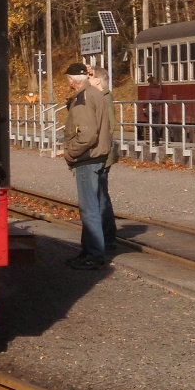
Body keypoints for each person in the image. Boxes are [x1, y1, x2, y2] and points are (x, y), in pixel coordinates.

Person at [55, 62, 111, 269]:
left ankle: (94, 255)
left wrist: (70, 153)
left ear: (71, 81)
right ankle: (88, 251)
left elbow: (86, 135)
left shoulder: (83, 100)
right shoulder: (96, 94)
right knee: (92, 207)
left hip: (87, 159)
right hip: (97, 157)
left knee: (89, 210)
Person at [88, 65, 119, 254]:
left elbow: (109, 126)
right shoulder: (98, 97)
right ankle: (105, 236)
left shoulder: (104, 99)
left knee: (100, 197)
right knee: (99, 196)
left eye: (90, 77)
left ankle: (107, 237)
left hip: (101, 155)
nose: (88, 80)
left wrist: (99, 148)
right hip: (99, 153)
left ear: (98, 81)